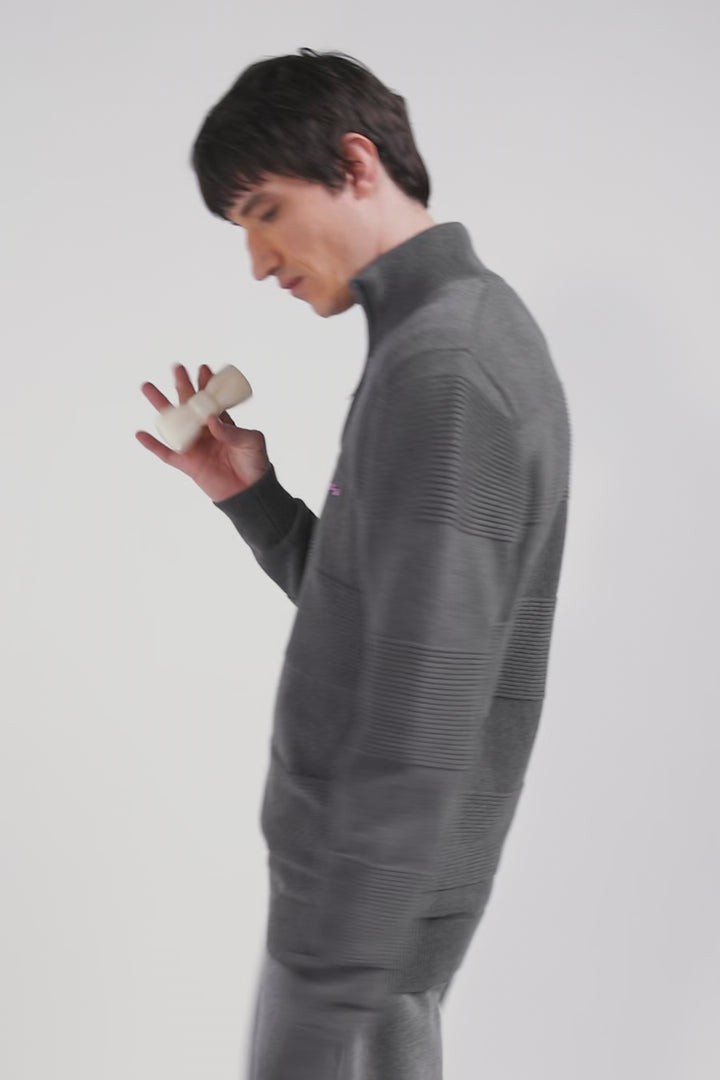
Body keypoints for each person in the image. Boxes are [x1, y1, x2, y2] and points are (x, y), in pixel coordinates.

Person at [136, 47, 571, 1080]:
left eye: (266, 211)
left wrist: (321, 999)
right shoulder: (445, 334)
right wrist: (251, 496)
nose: (258, 261)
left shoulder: (444, 368)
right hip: (364, 915)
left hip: (360, 926)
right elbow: (389, 627)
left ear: (357, 163)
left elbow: (421, 713)